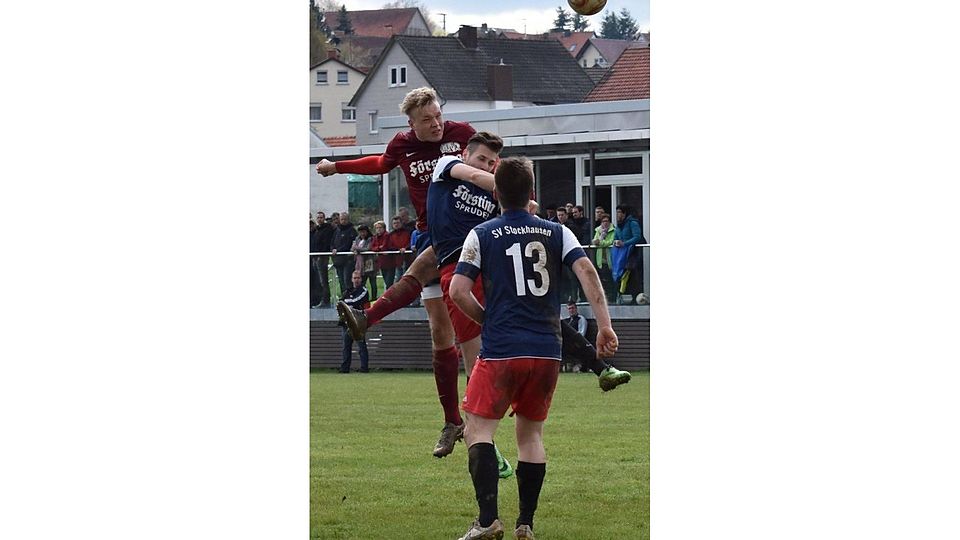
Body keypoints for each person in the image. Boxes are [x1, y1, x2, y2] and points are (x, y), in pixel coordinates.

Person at [449, 156, 619, 540]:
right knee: (531, 436)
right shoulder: (558, 231)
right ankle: (525, 523)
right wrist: (604, 325)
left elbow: (458, 291)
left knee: (478, 430)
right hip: (546, 350)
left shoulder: (482, 233)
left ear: (495, 193)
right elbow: (586, 270)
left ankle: (488, 521)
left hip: (501, 349)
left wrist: (487, 320)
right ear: (532, 193)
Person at [317, 87, 478, 455]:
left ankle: (368, 316)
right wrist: (337, 166)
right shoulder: (403, 145)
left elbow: (492, 166)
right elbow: (379, 164)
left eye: (438, 116)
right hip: (429, 233)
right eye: (427, 120)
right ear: (411, 123)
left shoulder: (463, 135)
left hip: (463, 232)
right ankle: (452, 421)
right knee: (440, 333)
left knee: (466, 327)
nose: (436, 124)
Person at [339, 271, 370, 373]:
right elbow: (340, 303)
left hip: (358, 322)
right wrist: (345, 304)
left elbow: (356, 301)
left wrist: (346, 303)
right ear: (352, 279)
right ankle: (345, 368)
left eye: (358, 278)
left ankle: (364, 368)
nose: (356, 280)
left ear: (361, 279)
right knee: (346, 347)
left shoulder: (364, 291)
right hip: (347, 322)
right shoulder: (347, 291)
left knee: (361, 346)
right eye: (355, 278)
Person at [613, 204, 644, 305]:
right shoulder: (619, 225)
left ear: (624, 213)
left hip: (633, 252)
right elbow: (616, 237)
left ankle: (636, 297)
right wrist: (615, 242)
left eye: (619, 212)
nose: (617, 215)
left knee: (632, 274)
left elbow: (637, 237)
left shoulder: (632, 223)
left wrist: (625, 243)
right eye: (617, 212)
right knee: (623, 274)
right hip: (622, 254)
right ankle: (624, 296)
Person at [330, 211, 357, 297]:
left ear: (348, 219)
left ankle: (350, 298)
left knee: (347, 280)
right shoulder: (337, 230)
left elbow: (349, 244)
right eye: (342, 219)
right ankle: (343, 298)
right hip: (338, 260)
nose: (343, 221)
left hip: (348, 260)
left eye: (345, 219)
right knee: (341, 281)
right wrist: (332, 249)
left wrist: (338, 250)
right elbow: (332, 241)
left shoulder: (352, 230)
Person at [591, 212, 617, 302]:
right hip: (600, 259)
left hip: (610, 258)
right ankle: (605, 297)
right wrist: (598, 241)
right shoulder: (598, 230)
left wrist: (600, 242)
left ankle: (613, 297)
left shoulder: (613, 230)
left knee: (611, 278)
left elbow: (610, 242)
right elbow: (595, 241)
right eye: (603, 221)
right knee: (602, 279)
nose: (605, 223)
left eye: (607, 221)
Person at [312, 211, 334, 308]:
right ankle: (320, 299)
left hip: (322, 257)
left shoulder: (327, 229)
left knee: (323, 280)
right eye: (318, 218)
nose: (319, 219)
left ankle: (326, 300)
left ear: (324, 218)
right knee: (318, 280)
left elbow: (326, 243)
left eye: (321, 217)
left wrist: (321, 253)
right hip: (315, 257)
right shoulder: (317, 230)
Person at [371, 219, 399, 291]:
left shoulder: (387, 235)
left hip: (390, 262)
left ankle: (391, 296)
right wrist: (379, 248)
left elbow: (384, 246)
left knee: (389, 283)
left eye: (380, 227)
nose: (378, 229)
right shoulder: (375, 237)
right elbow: (372, 247)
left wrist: (379, 248)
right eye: (377, 228)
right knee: (387, 282)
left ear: (384, 228)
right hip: (381, 263)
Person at [351, 224, 378, 300]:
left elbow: (368, 248)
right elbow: (352, 248)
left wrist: (357, 249)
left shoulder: (371, 239)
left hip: (369, 263)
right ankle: (362, 298)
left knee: (373, 282)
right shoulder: (357, 239)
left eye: (363, 232)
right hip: (360, 264)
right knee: (362, 282)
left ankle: (374, 298)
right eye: (360, 232)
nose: (362, 234)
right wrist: (355, 249)